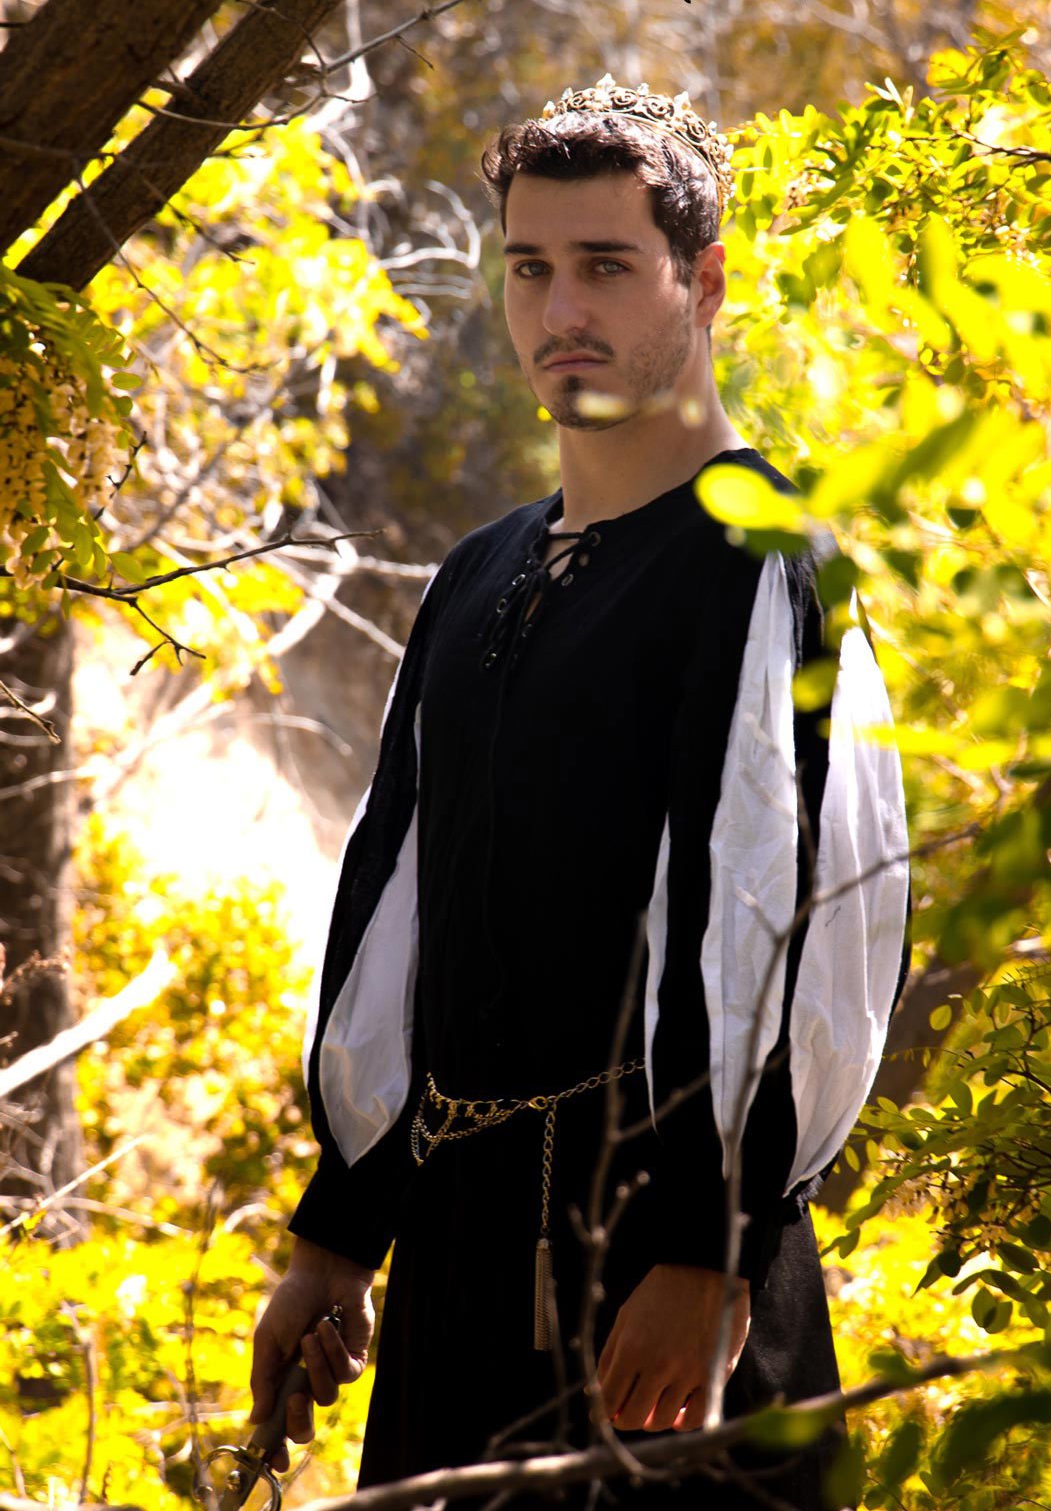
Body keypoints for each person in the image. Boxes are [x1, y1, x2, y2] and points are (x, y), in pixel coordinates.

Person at [249, 75, 912, 1507]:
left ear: (705, 279)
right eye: (531, 270)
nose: (562, 313)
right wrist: (339, 1230)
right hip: (462, 1246)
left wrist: (711, 1245)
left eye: (607, 266)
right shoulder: (481, 572)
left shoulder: (764, 558)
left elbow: (788, 926)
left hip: (659, 1275)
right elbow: (396, 912)